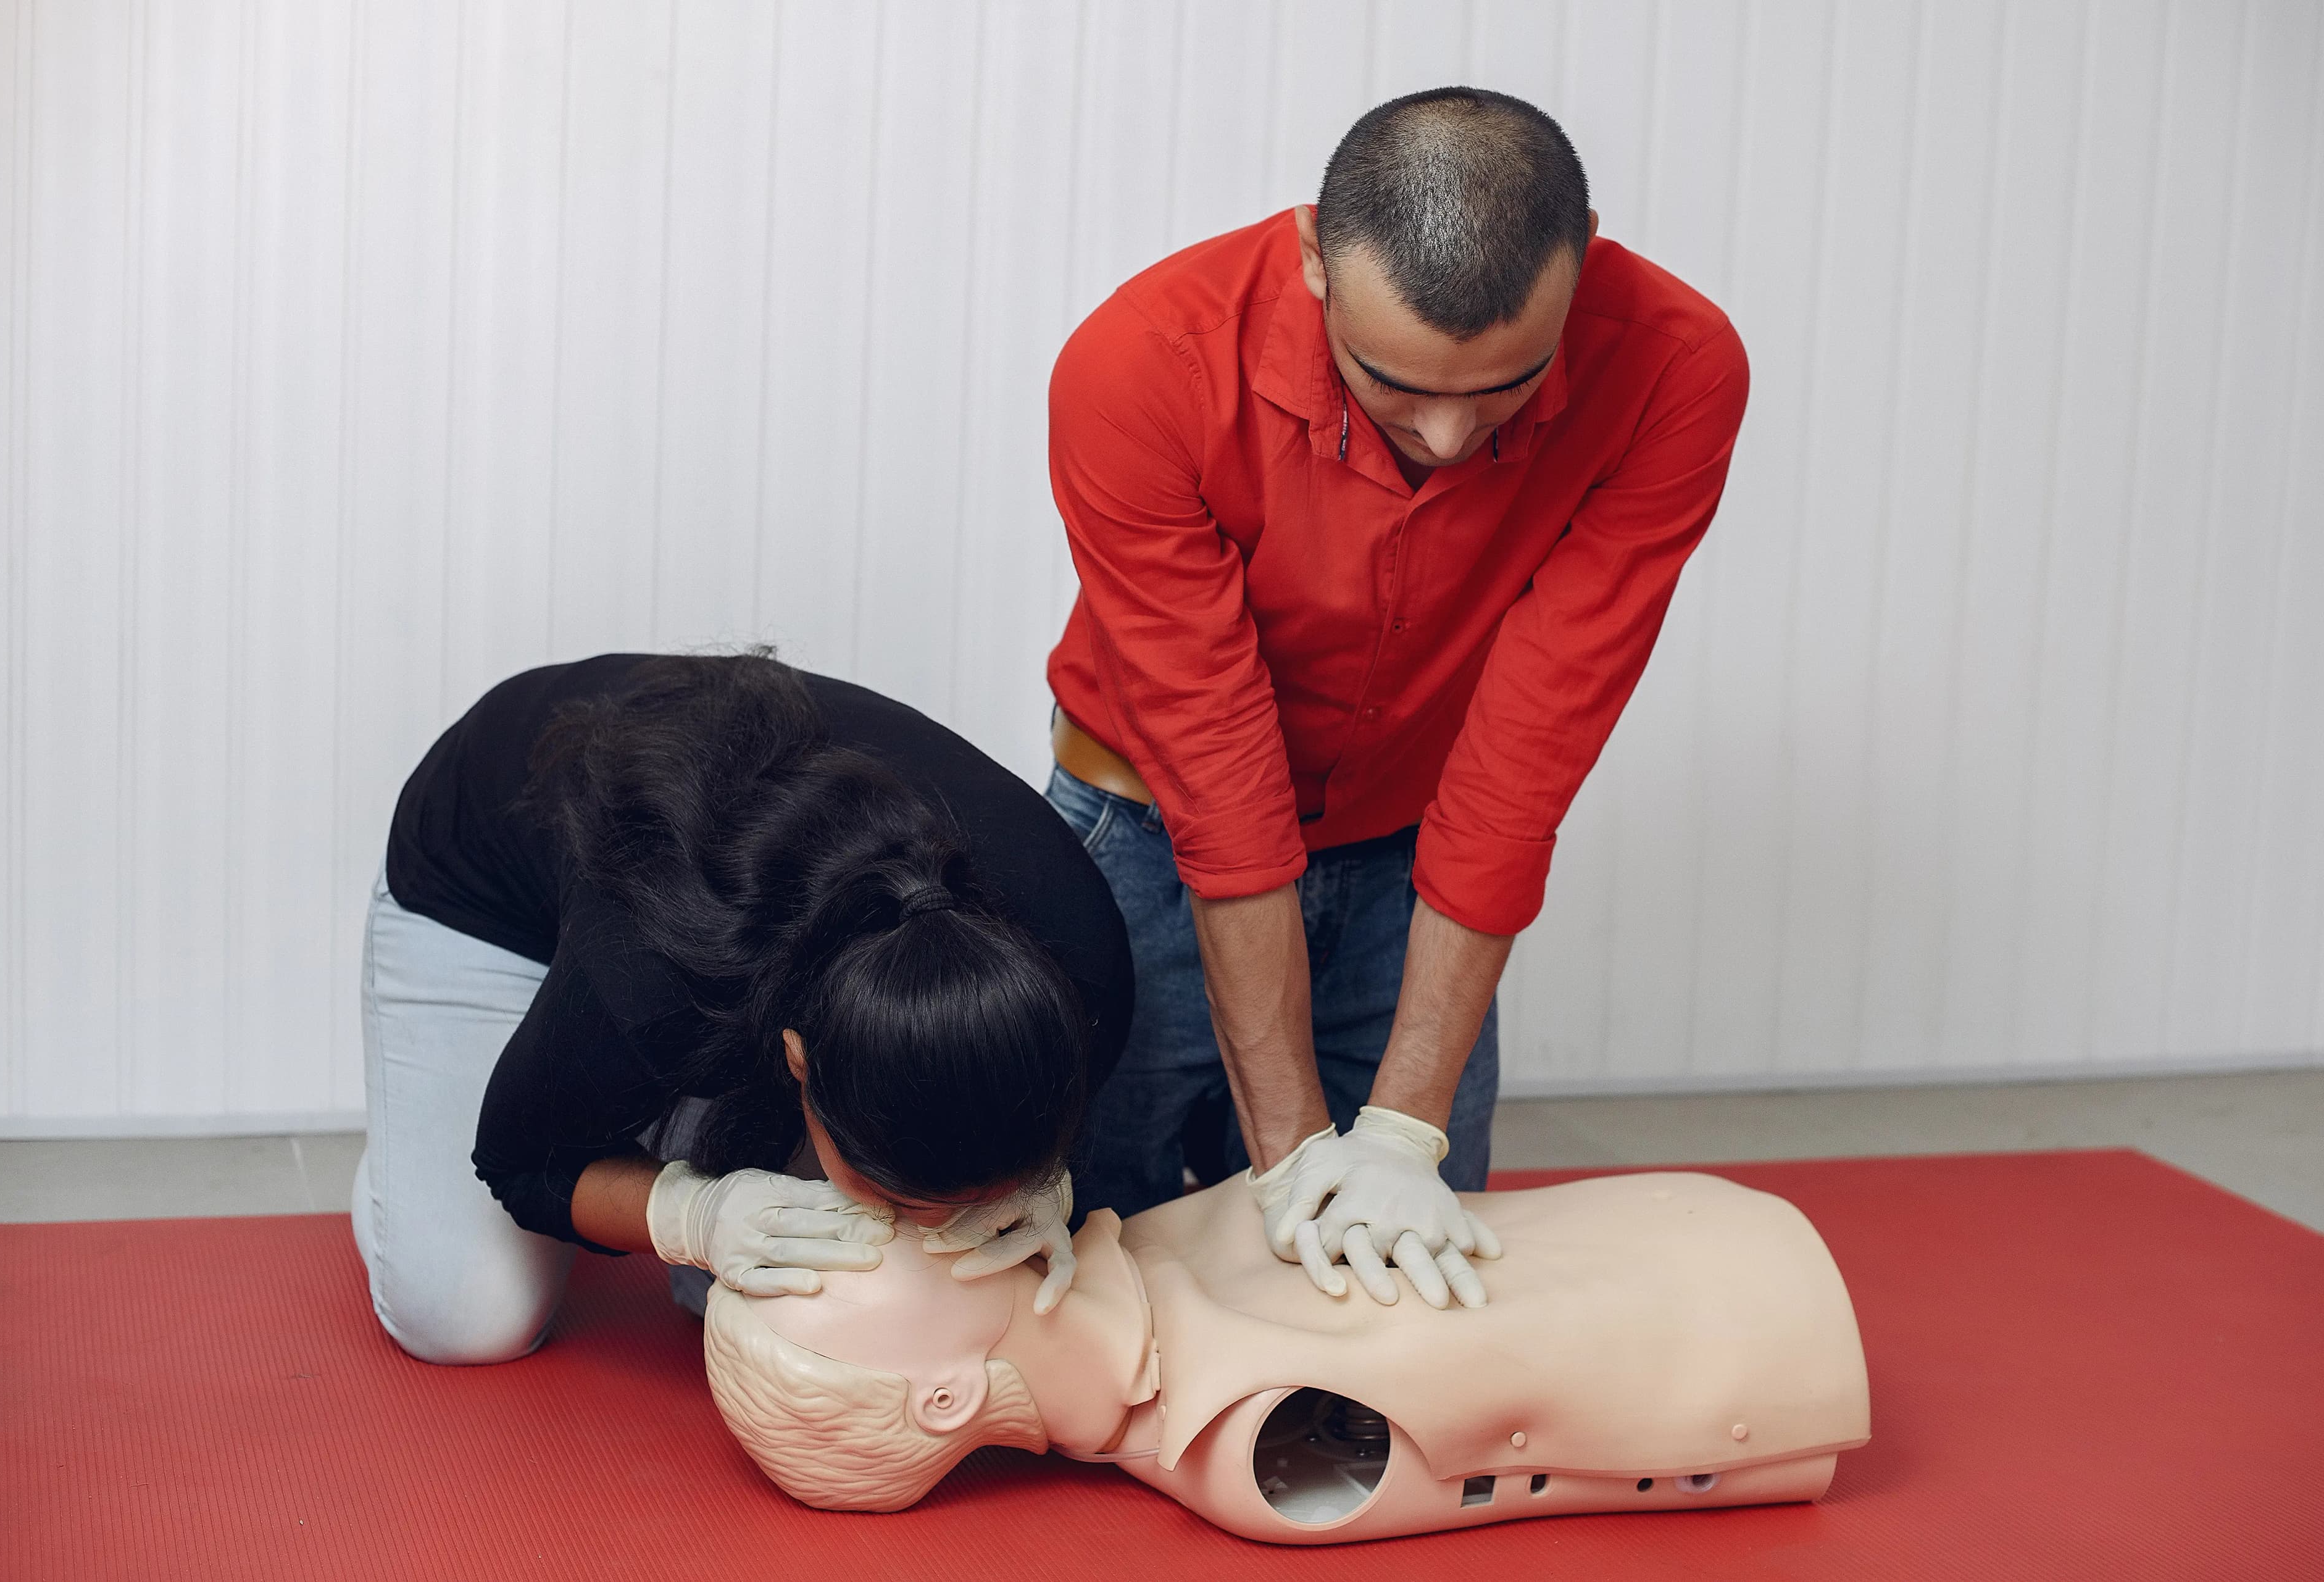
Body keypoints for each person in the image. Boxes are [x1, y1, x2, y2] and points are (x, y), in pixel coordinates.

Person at [1042, 88, 1749, 1304]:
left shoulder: (1679, 367)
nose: (1445, 436)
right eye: (1393, 383)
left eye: (1505, 389)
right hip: (1145, 837)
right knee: (1098, 1257)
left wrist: (1404, 1129)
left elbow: (1532, 742)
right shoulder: (1141, 364)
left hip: (1415, 853)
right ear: (1316, 256)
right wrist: (1297, 1153)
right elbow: (1217, 767)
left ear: (1582, 258)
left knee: (1403, 1282)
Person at [351, 652, 1133, 1365]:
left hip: (721, 901)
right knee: (468, 1317)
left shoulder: (1082, 964)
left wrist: (1037, 1185)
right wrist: (694, 1213)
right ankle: (412, 1148)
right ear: (799, 1058)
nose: (924, 1228)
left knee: (778, 1286)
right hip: (486, 875)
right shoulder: (651, 987)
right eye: (898, 1197)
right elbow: (517, 1161)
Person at [698, 1169, 1870, 1537]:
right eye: (844, 1269)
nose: (859, 1226)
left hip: (1695, 1225)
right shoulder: (1243, 1430)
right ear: (946, 1391)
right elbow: (1542, 1396)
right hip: (1757, 1317)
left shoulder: (1126, 1248)